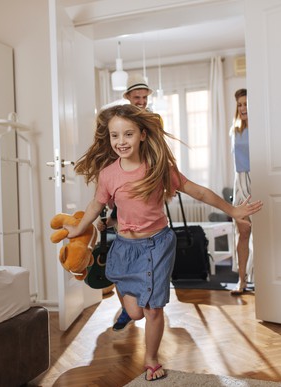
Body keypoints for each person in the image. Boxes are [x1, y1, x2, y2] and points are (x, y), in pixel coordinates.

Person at [65, 104, 262, 381]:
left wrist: (233, 211)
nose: (121, 142)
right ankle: (127, 300)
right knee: (135, 313)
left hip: (157, 245)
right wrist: (79, 229)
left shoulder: (158, 168)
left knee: (153, 308)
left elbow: (198, 191)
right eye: (115, 136)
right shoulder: (109, 174)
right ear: (108, 139)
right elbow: (96, 206)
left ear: (143, 135)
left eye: (128, 134)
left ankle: (151, 359)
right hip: (124, 248)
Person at [103, 73, 155, 332]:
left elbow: (160, 148)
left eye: (146, 98)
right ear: (127, 98)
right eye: (138, 98)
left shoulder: (151, 122)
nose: (142, 102)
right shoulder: (118, 120)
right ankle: (126, 305)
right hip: (122, 183)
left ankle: (138, 305)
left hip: (146, 182)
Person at [229, 88, 254, 295]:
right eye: (240, 104)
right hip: (241, 181)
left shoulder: (262, 126)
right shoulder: (235, 129)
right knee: (243, 232)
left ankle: (264, 278)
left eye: (246, 104)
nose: (243, 108)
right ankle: (242, 280)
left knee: (265, 233)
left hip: (259, 178)